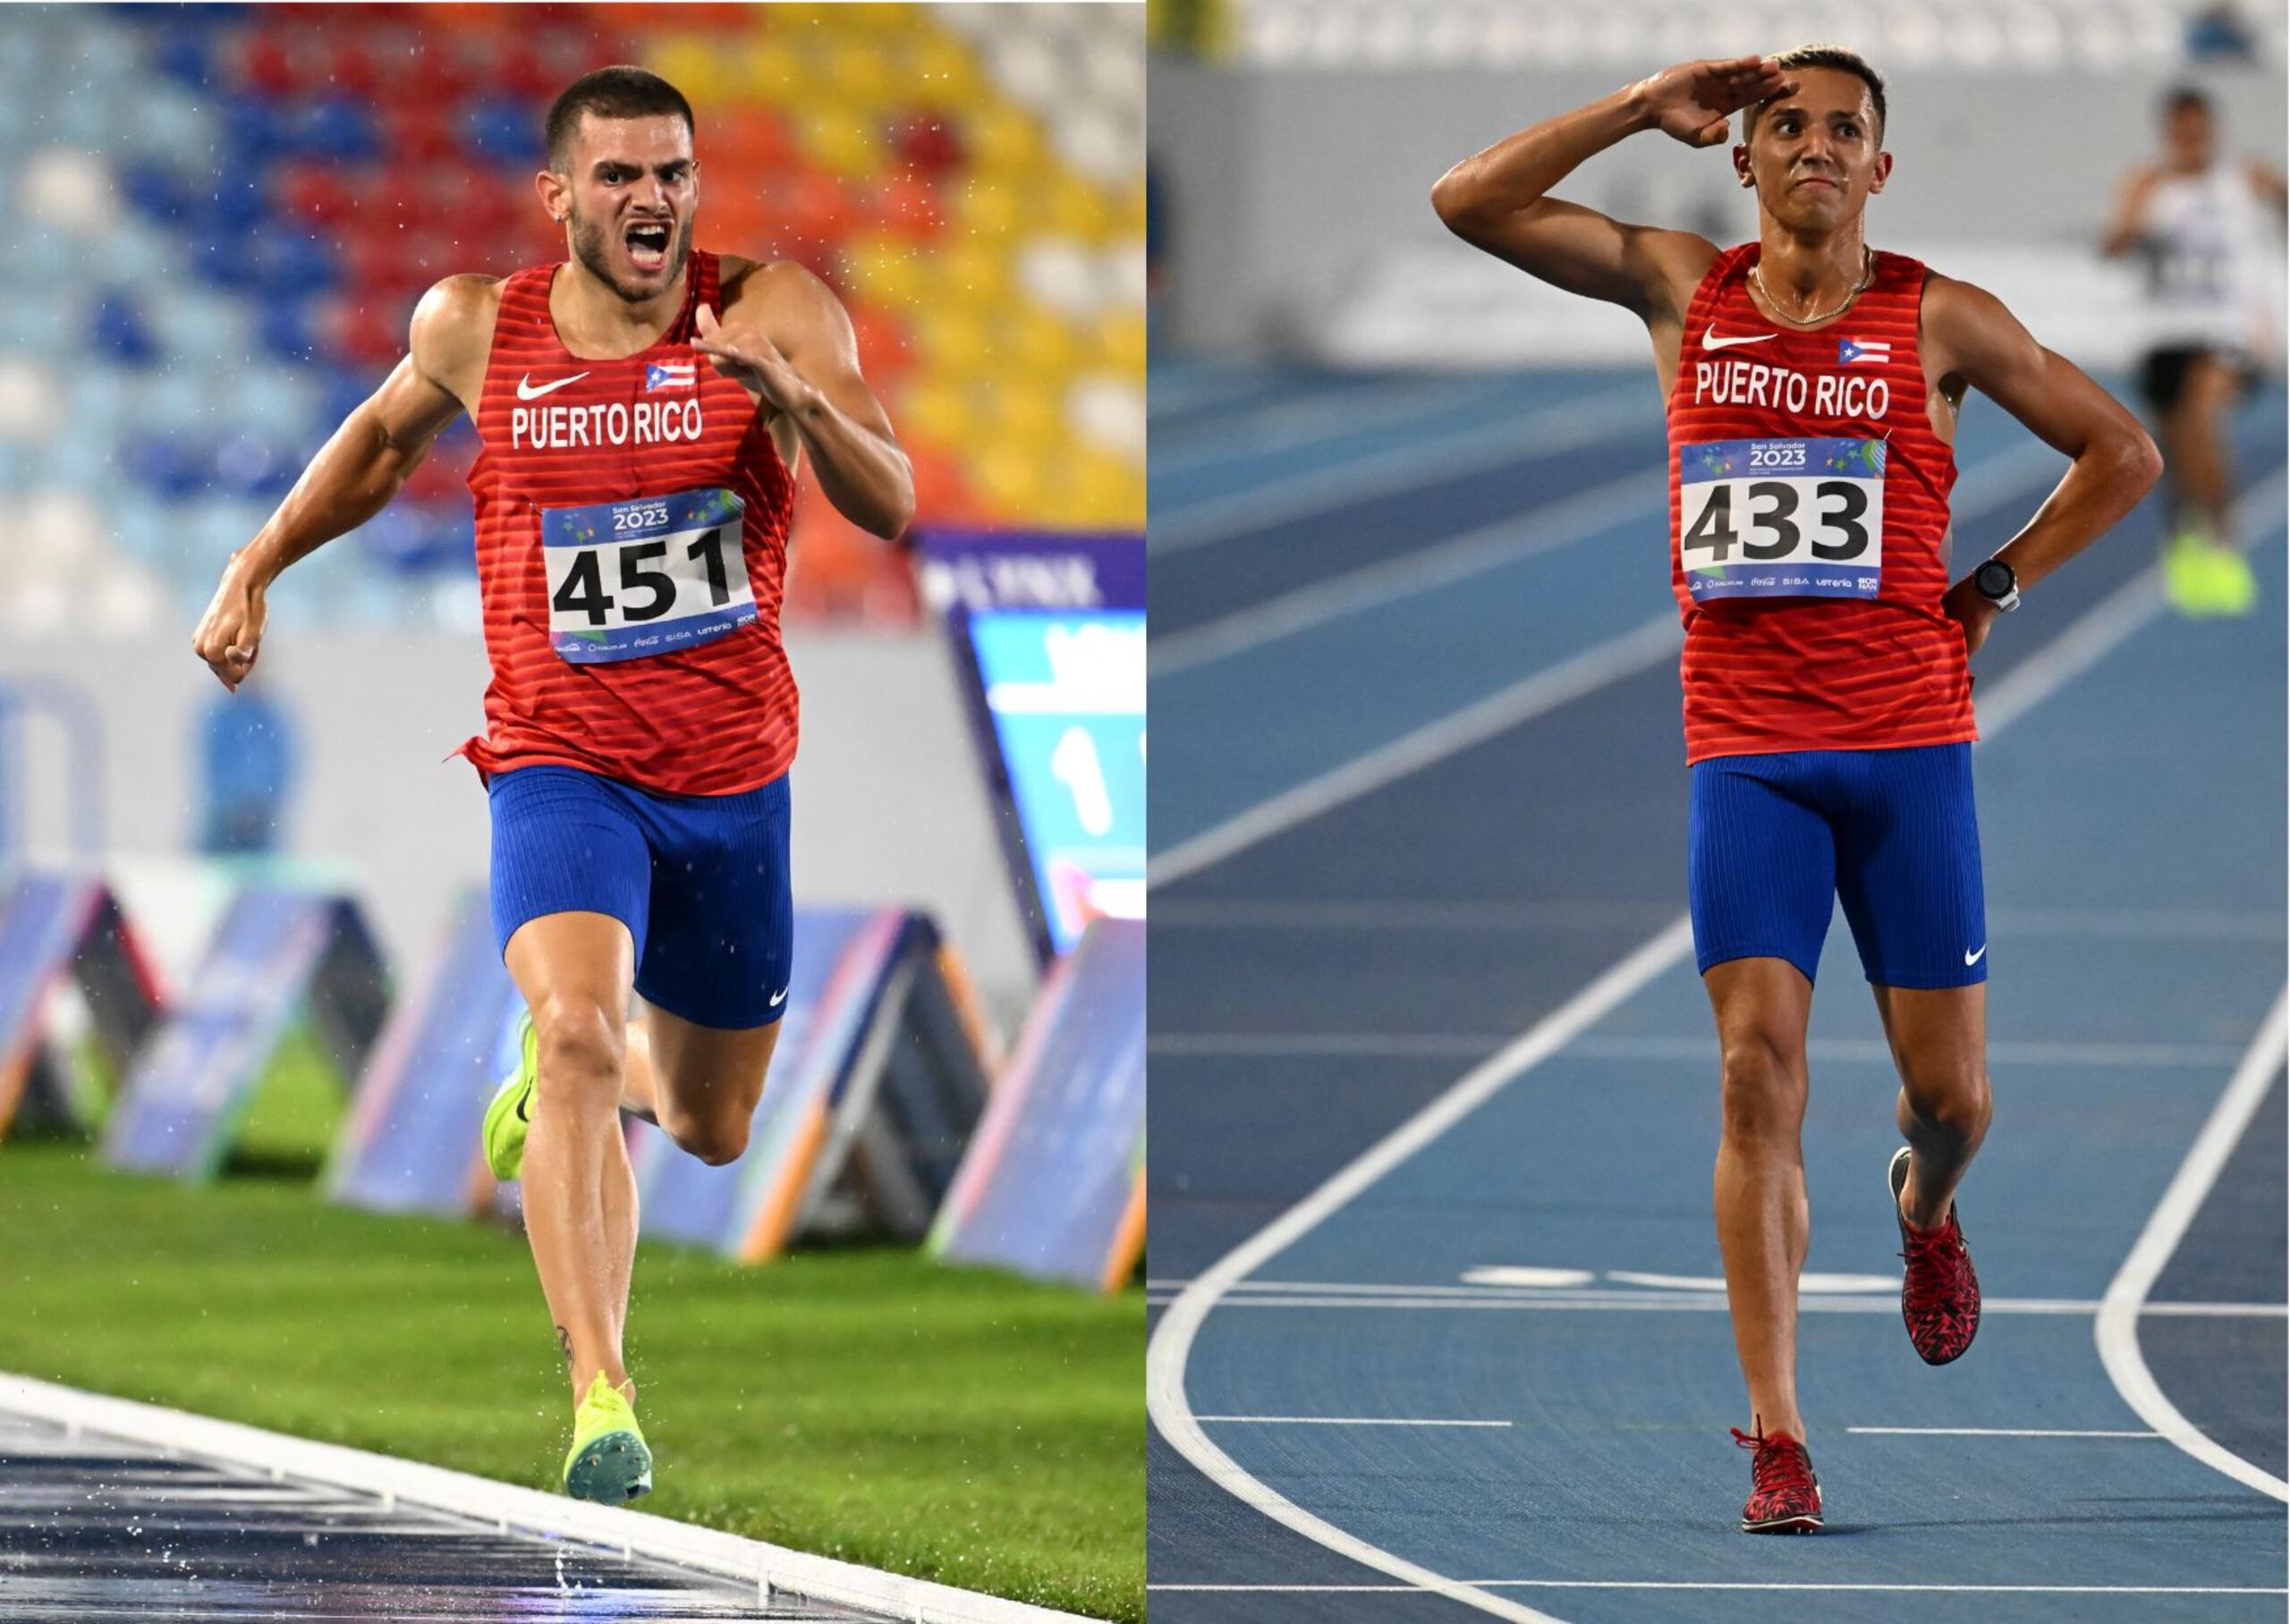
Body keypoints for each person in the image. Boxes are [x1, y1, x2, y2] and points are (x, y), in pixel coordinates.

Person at [1432, 47, 2159, 1534]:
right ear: (1744, 158)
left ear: (1880, 171)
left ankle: (1927, 1207)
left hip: (1907, 754)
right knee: (1756, 1073)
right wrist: (1640, 105)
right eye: (1787, 127)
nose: (1816, 148)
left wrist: (1996, 582)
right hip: (1748, 753)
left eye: (1845, 131)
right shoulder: (1679, 291)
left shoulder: (1936, 316)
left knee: (1951, 1101)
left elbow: (2124, 451)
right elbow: (1467, 200)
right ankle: (1778, 1433)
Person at [191, 66, 912, 1502]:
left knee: (708, 1130)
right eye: (623, 177)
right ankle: (601, 1395)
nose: (653, 200)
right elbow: (382, 442)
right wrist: (255, 562)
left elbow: (890, 503)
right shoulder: (478, 325)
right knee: (576, 1034)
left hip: (731, 782)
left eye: (674, 175)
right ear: (561, 196)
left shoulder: (772, 313)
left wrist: (797, 410)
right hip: (559, 766)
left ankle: (585, 1079)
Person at [2102, 84, 2285, 616]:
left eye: (2199, 131)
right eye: (2181, 132)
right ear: (2168, 133)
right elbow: (2112, 248)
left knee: (2202, 418)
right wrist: (2133, 221)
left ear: (2212, 130)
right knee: (2175, 448)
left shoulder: (2245, 179)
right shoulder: (2147, 184)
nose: (2191, 141)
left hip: (2229, 332)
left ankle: (2226, 543)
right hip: (2165, 333)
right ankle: (2184, 541)